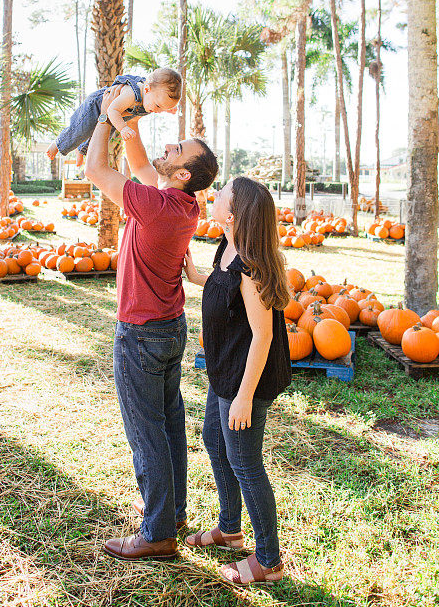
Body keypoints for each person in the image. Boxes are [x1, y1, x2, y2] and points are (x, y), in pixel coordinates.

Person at [84, 86, 218, 561]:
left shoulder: (157, 206)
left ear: (183, 173)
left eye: (177, 149)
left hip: (141, 333)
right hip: (169, 327)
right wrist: (130, 127)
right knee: (168, 426)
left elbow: (95, 170)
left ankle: (158, 532)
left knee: (147, 434)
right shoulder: (181, 204)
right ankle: (174, 512)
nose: (169, 146)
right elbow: (141, 169)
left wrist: (105, 118)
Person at [183, 176, 291, 587]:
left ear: (231, 214)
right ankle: (229, 530)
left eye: (222, 193)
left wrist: (245, 397)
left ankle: (269, 561)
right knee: (214, 440)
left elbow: (263, 336)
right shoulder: (226, 247)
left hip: (248, 380)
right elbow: (222, 288)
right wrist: (196, 277)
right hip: (225, 371)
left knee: (246, 464)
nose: (215, 194)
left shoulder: (251, 265)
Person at [46, 68, 181, 164]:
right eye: (158, 106)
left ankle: (81, 150)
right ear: (146, 89)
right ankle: (57, 144)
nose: (158, 111)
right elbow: (112, 110)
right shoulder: (132, 94)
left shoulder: (151, 96)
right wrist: (123, 128)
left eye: (163, 109)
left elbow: (158, 102)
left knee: (102, 138)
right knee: (80, 129)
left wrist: (167, 109)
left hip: (114, 118)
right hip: (98, 106)